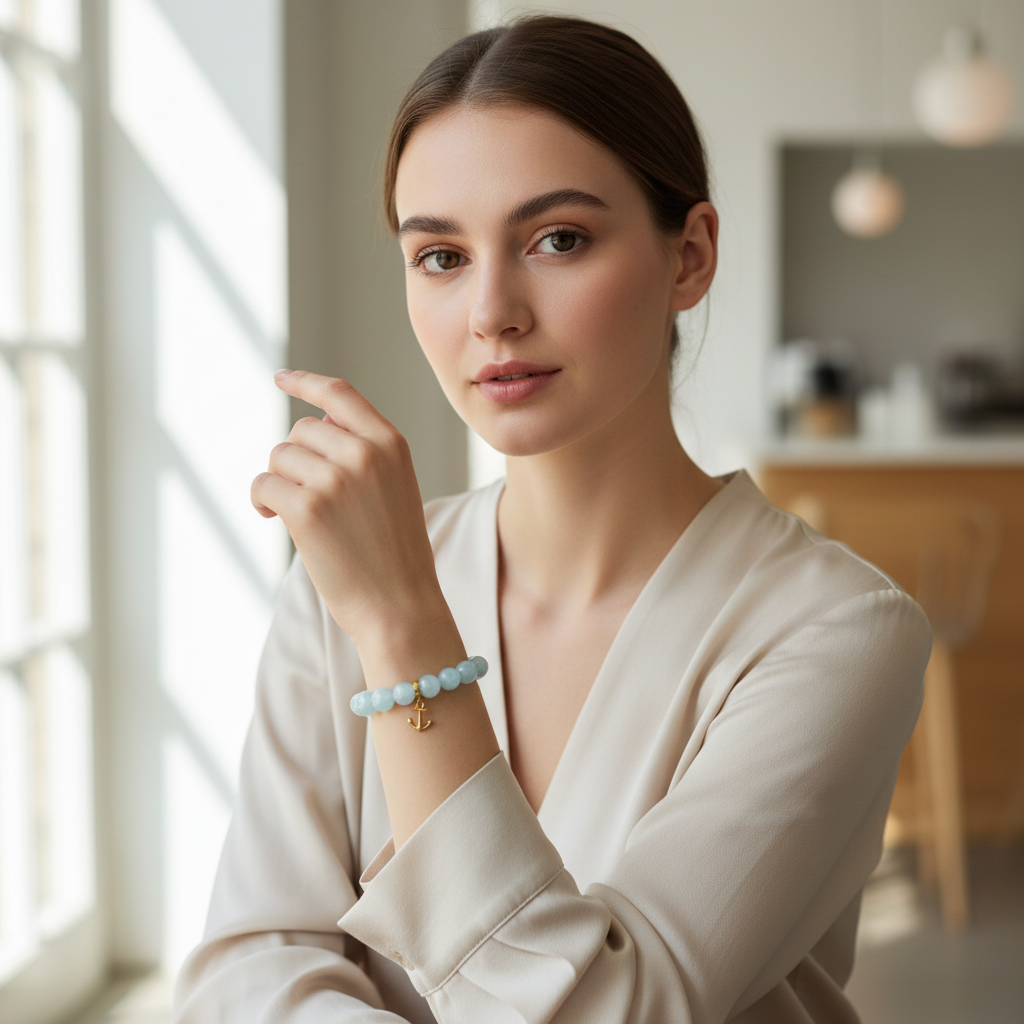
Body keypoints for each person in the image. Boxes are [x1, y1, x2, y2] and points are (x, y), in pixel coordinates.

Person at [173, 15, 930, 1024]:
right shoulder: (334, 584)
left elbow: (615, 1008)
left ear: (689, 257)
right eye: (439, 255)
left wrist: (405, 636)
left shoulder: (834, 631)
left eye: (557, 239)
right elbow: (246, 962)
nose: (491, 311)